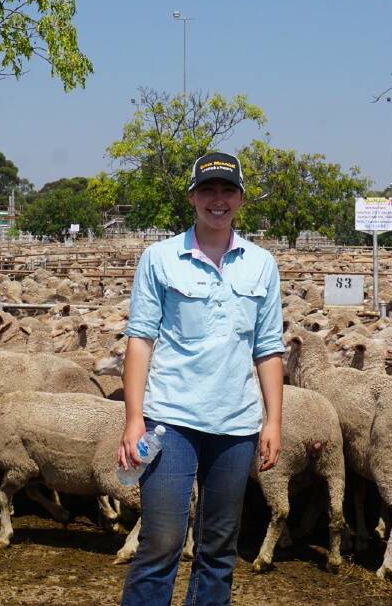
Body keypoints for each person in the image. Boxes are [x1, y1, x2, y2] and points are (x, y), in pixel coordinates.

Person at [118, 151, 285, 606]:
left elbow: (268, 348)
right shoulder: (160, 258)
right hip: (170, 418)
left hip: (235, 424)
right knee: (163, 541)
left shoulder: (261, 264)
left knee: (218, 547)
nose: (218, 200)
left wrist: (272, 421)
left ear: (241, 199)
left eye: (227, 190)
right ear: (192, 196)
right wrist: (135, 420)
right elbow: (140, 340)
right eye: (208, 189)